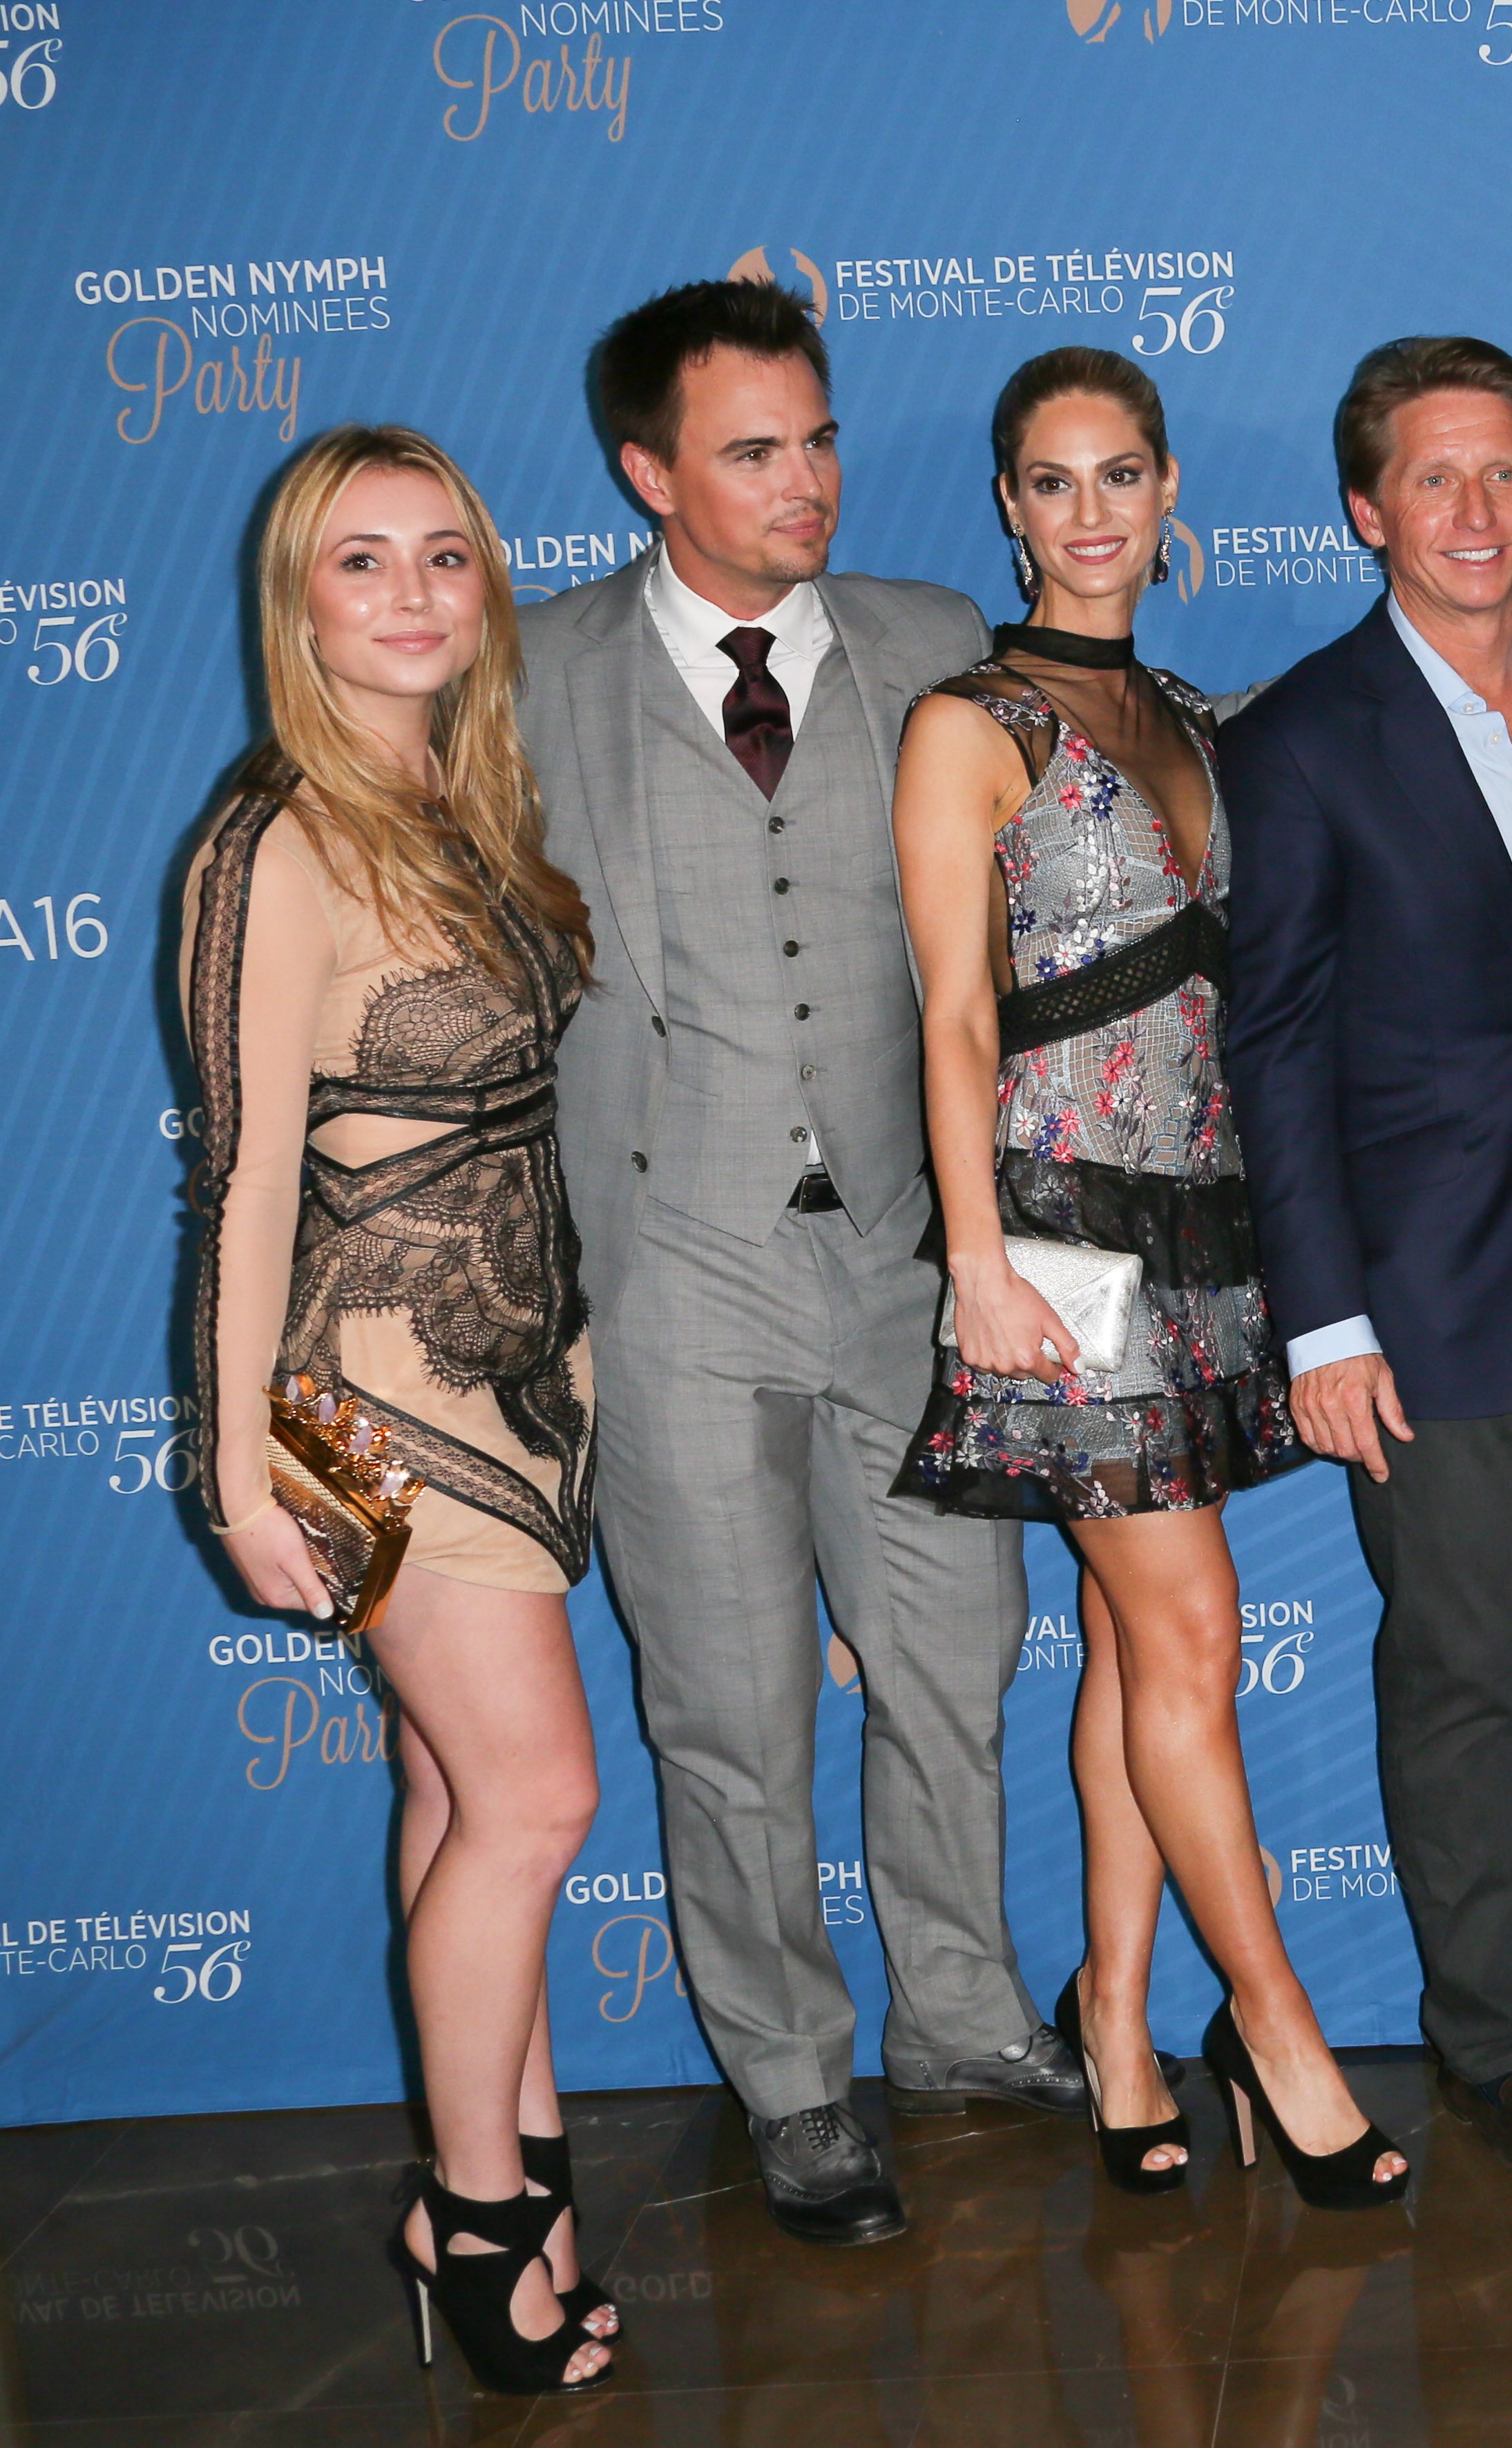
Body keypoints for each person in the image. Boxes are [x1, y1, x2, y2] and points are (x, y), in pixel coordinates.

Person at [522, 279, 1078, 2249]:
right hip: (675, 1273)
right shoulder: (534, 674)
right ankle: (789, 2080)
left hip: (924, 1270)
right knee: (733, 1711)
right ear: (648, 471)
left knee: (952, 1672)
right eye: (755, 448)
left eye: (821, 436)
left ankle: (960, 2020)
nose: (810, 479)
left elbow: (1099, 856)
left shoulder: (936, 641)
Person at [890, 348, 1404, 2208]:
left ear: (1168, 492)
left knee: (1131, 1648)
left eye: (1120, 477)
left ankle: (1113, 2012)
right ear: (1008, 506)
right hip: (1053, 1239)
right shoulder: (970, 726)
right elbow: (954, 1013)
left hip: (1207, 1229)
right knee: (1186, 1640)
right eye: (1051, 481)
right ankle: (1271, 2023)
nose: (1090, 513)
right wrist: (973, 1257)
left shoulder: (1196, 715)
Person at [1220, 335, 1512, 2192]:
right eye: (1434, 478)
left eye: (1504, 474)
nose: (1475, 511)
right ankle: (1490, 2041)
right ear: (1365, 510)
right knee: (1459, 1662)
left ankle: (1505, 1976)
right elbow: (1269, 1044)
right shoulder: (1302, 736)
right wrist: (1321, 1318)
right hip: (1418, 1282)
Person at [184, 426, 614, 2391]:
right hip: (368, 1402)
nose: (415, 594)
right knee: (536, 1800)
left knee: (459, 1797)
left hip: (520, 1374)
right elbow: (247, 1173)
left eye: (445, 555)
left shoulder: (459, 794)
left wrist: (575, 1360)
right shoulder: (274, 840)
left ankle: (512, 2166)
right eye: (362, 564)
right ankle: (474, 2226)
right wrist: (233, 1466)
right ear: (299, 605)